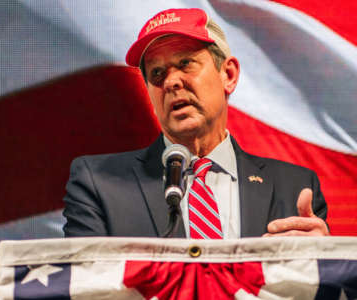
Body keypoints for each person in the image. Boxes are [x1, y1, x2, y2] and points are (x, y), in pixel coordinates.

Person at [63, 8, 329, 238]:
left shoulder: (295, 187)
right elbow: (83, 284)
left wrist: (323, 263)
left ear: (228, 74)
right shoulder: (99, 183)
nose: (171, 82)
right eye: (157, 73)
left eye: (185, 63)